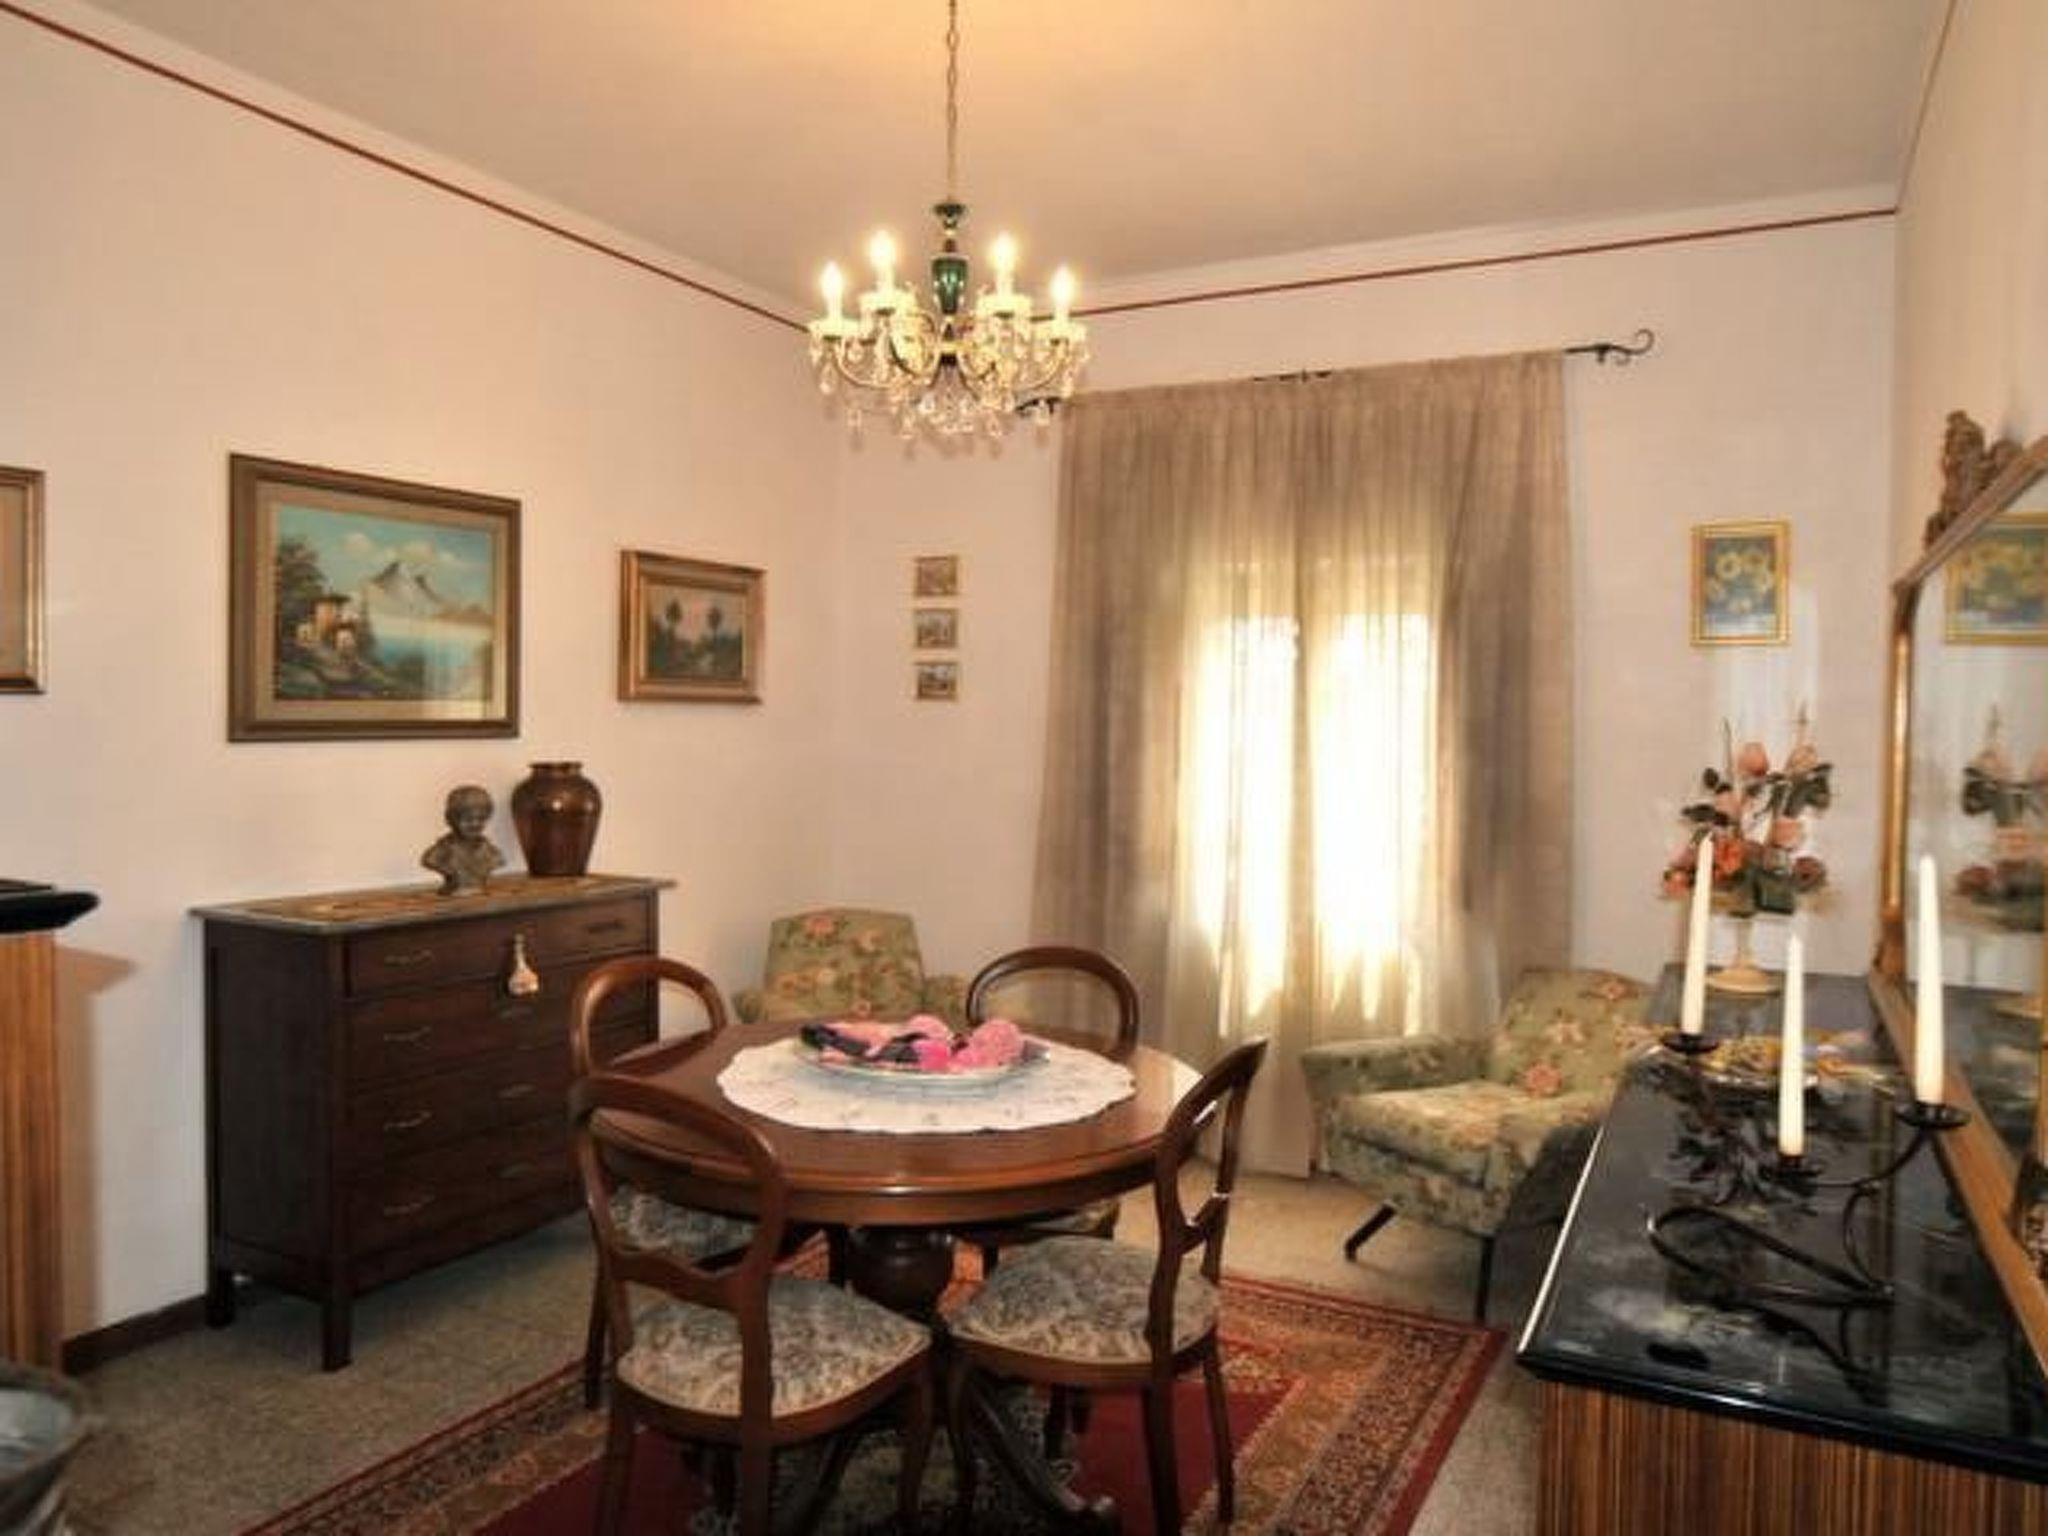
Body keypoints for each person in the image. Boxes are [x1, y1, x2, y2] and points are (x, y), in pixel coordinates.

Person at [421, 784, 504, 896]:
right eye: (468, 819)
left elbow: (498, 861)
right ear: (450, 819)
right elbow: (429, 861)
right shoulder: (438, 853)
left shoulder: (492, 853)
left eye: (481, 819)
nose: (475, 824)